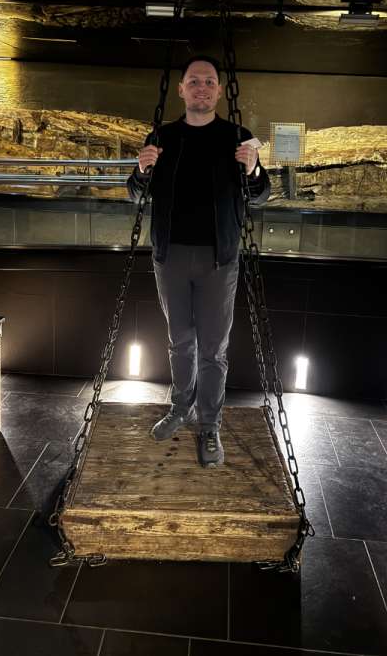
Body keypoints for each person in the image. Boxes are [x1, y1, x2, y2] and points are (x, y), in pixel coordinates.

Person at [126, 56, 270, 468]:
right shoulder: (164, 135)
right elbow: (137, 194)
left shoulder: (237, 137)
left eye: (209, 82)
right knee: (179, 341)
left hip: (218, 259)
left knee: (213, 348)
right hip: (170, 256)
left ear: (219, 91)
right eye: (194, 81)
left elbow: (260, 195)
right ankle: (180, 407)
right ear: (182, 90)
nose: (202, 88)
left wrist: (254, 169)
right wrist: (139, 171)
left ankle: (209, 424)